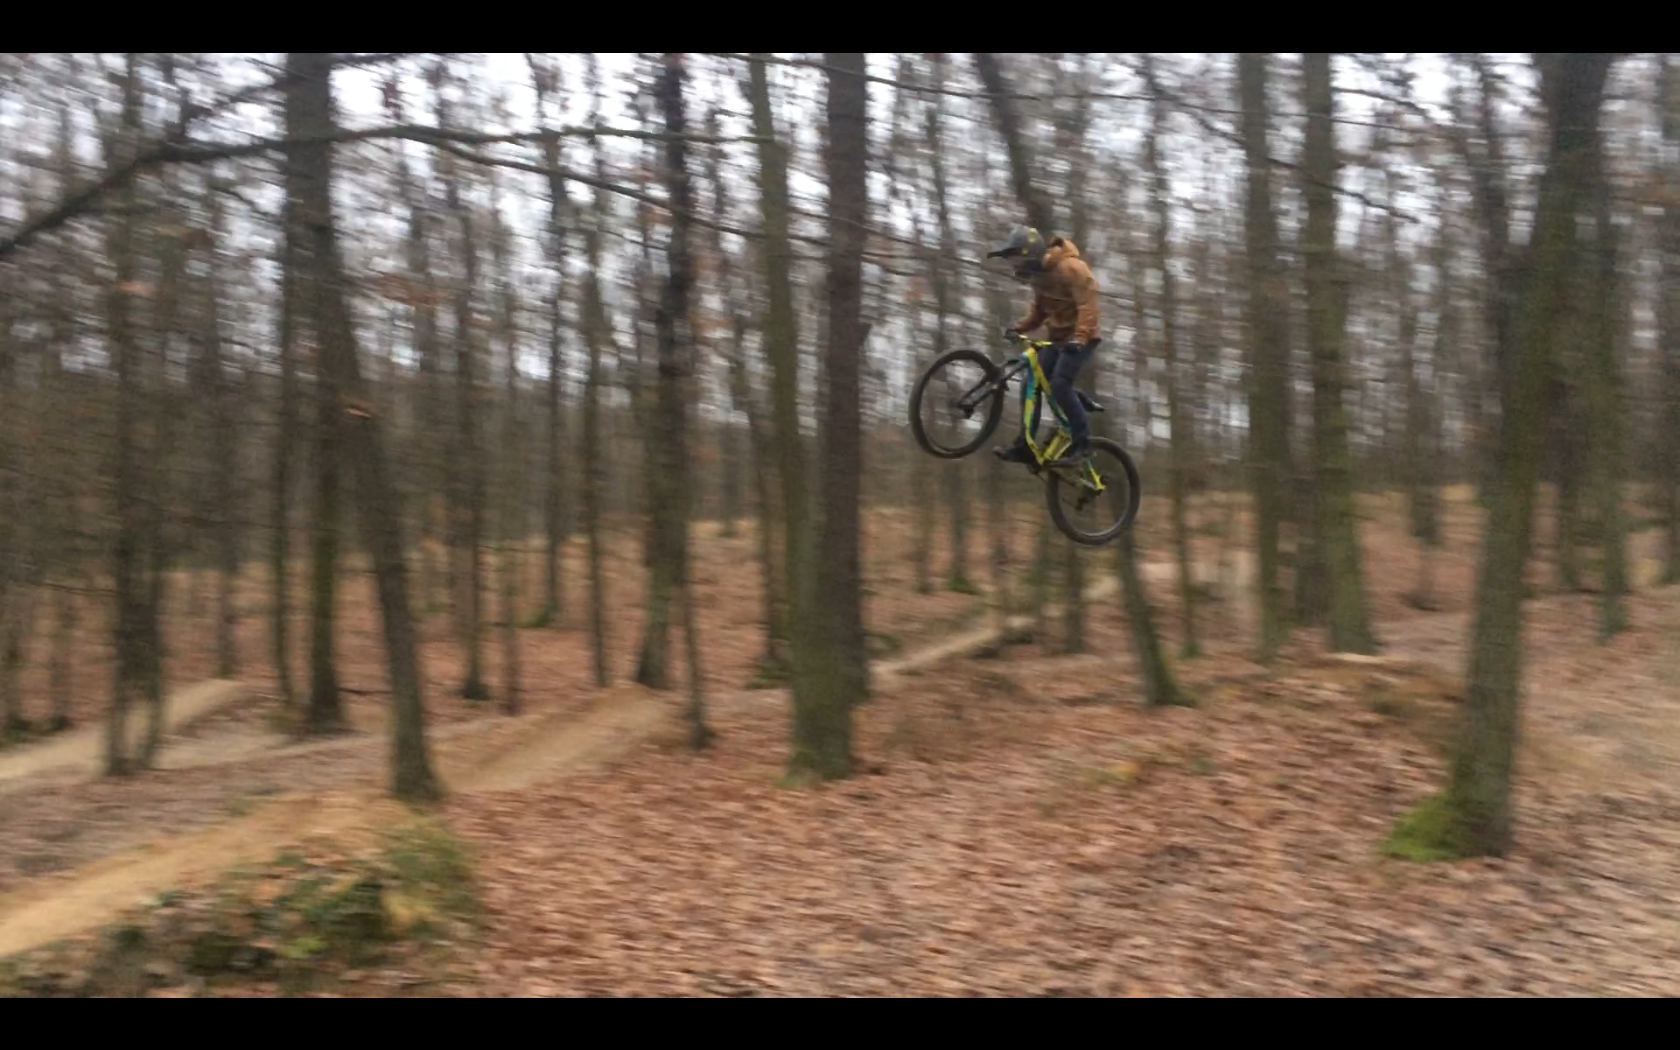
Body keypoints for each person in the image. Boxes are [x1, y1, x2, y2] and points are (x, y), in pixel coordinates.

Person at [984, 225, 1102, 468]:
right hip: (1058, 339)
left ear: (1029, 252)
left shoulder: (1071, 267)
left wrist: (1080, 338)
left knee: (1059, 383)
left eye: (1015, 259)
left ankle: (1083, 444)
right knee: (1030, 382)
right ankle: (1025, 446)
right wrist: (1019, 327)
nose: (1014, 266)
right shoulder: (1040, 278)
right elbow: (1039, 312)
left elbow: (1088, 305)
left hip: (1082, 338)